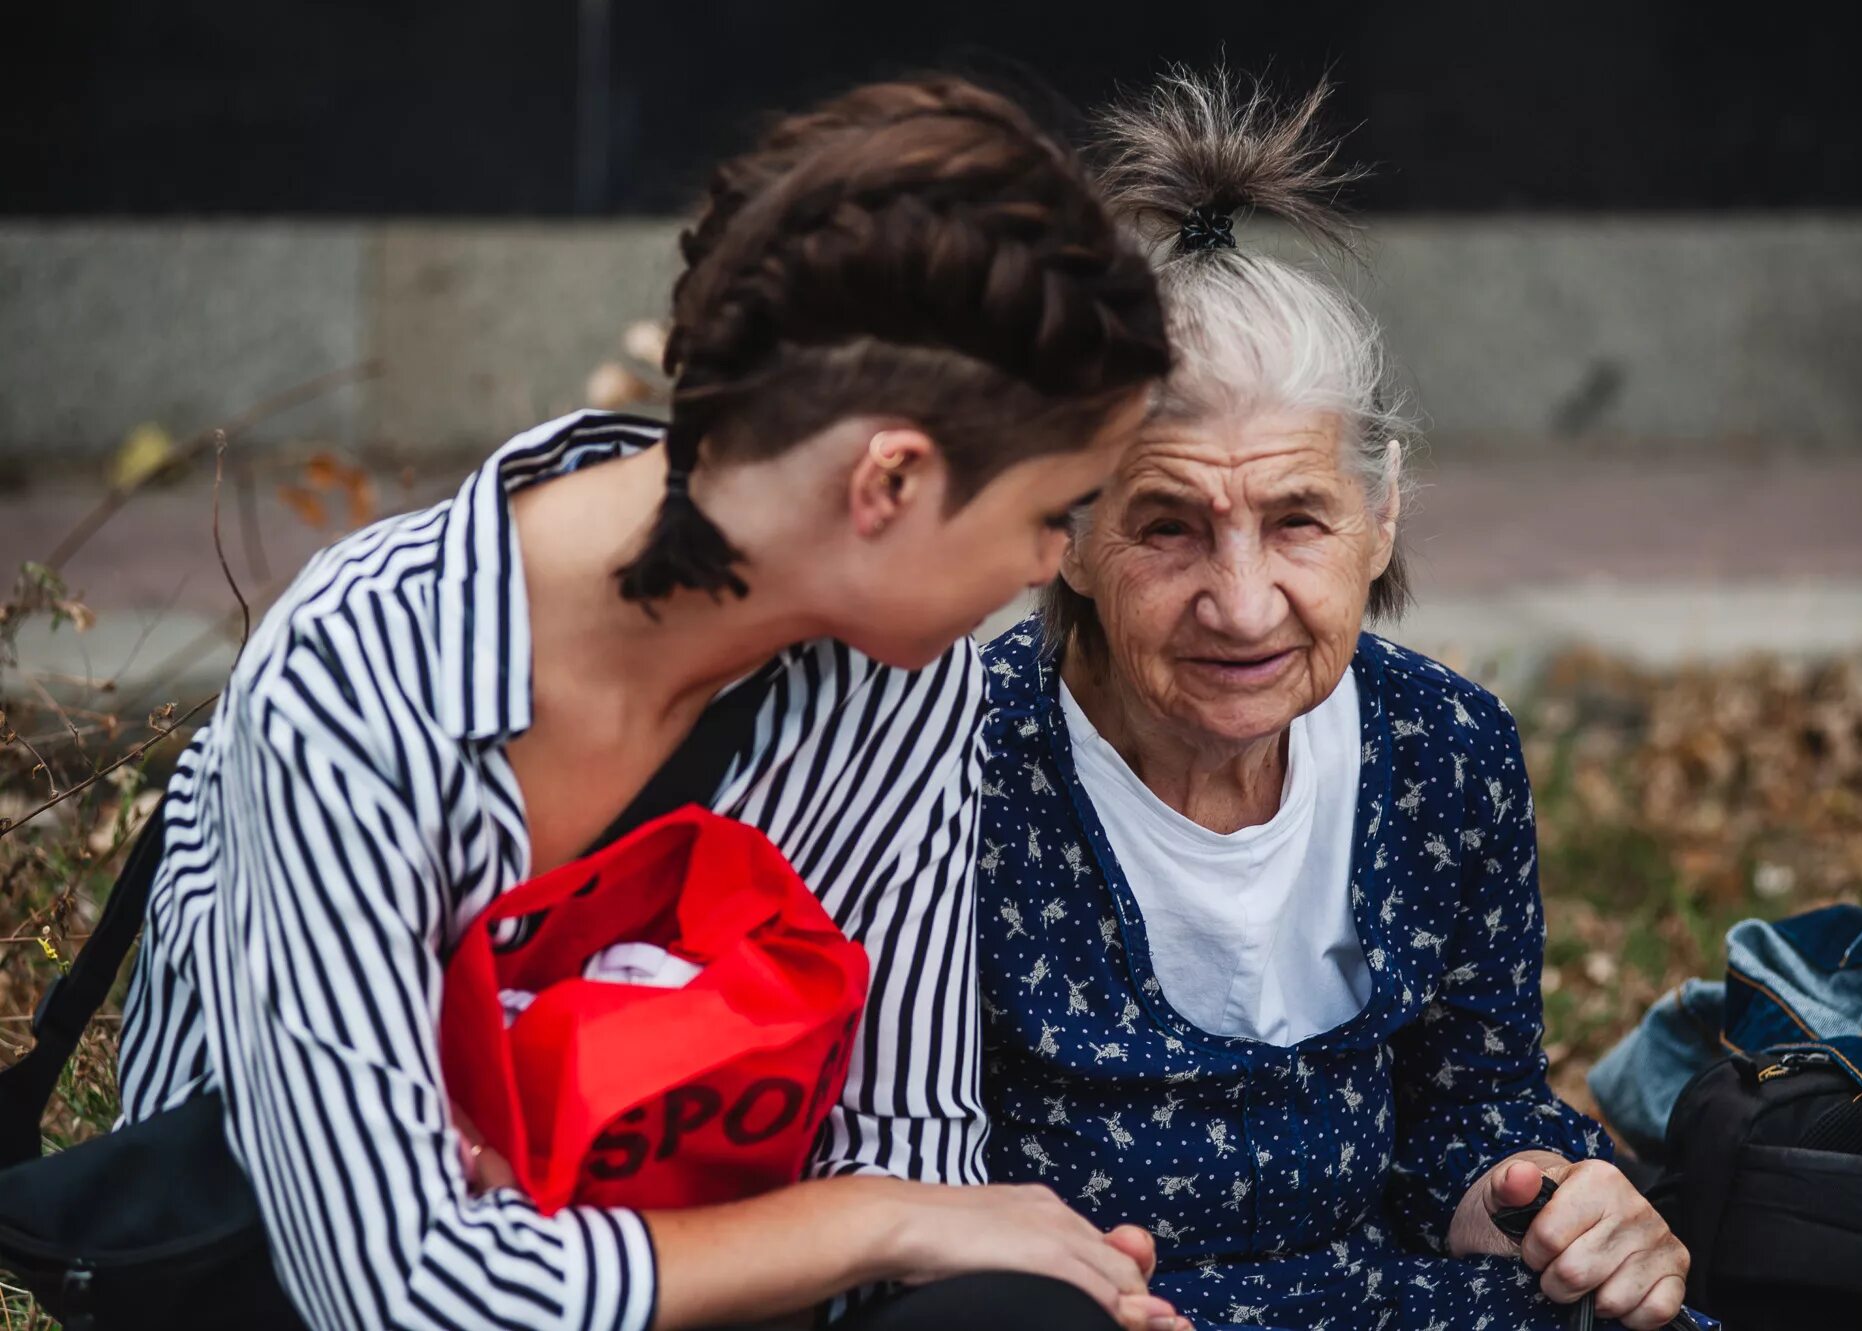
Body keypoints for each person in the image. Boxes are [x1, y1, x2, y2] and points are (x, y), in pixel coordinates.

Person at [117, 78, 1190, 1331]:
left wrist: (1015, 1265)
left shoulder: (904, 681)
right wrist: (859, 1221)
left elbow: (906, 1142)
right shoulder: (363, 673)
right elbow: (396, 1287)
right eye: (1046, 512)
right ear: (888, 478)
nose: (1049, 567)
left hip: (679, 1285)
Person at [976, 70, 1690, 1330]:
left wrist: (1552, 1203)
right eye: (1167, 527)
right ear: (1068, 533)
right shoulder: (963, 769)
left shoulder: (1441, 748)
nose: (1243, 602)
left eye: (1296, 519)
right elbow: (895, 1164)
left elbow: (1469, 1106)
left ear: (1380, 514)